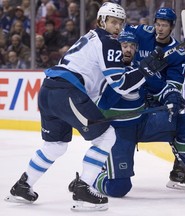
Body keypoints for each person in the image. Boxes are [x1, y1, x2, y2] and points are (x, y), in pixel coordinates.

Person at [5, 2, 166, 211]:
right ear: (101, 21)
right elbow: (120, 84)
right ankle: (83, 189)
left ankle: (22, 186)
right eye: (113, 22)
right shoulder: (108, 41)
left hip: (49, 90)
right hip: (66, 91)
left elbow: (103, 81)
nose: (117, 27)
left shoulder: (90, 38)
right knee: (106, 137)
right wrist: (145, 70)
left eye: (120, 23)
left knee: (55, 146)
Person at [68, 28, 185, 198]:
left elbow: (161, 88)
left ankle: (183, 169)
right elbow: (106, 102)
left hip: (143, 122)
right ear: (116, 48)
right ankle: (90, 179)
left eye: (132, 46)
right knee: (118, 188)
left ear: (136, 49)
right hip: (117, 132)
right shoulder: (105, 71)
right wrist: (136, 76)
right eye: (124, 45)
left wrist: (172, 97)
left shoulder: (141, 67)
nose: (128, 49)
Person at [124, 7, 185, 188]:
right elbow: (122, 33)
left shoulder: (178, 53)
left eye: (164, 26)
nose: (159, 29)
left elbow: (174, 84)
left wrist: (173, 97)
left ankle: (181, 170)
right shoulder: (143, 33)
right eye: (158, 24)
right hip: (128, 97)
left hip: (154, 100)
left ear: (172, 27)